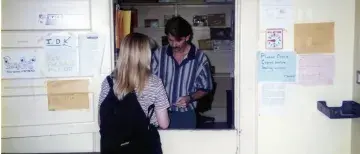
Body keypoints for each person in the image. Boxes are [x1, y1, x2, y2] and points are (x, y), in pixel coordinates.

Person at [98, 33, 170, 153]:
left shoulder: (109, 82)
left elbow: (101, 121)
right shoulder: (154, 82)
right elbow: (164, 124)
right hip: (143, 147)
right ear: (145, 55)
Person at [151, 16, 213, 129]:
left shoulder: (200, 58)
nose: (174, 45)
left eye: (178, 40)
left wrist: (190, 98)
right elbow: (149, 83)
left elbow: (205, 88)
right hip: (159, 113)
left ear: (187, 37)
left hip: (186, 115)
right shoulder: (158, 55)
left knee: (185, 146)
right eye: (170, 40)